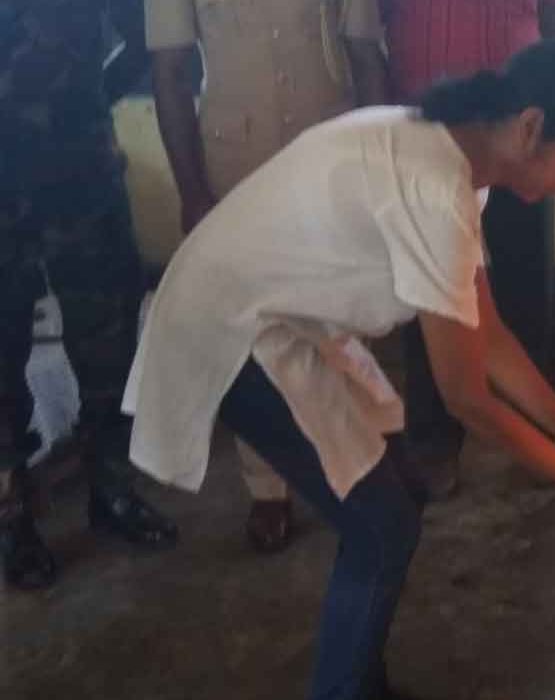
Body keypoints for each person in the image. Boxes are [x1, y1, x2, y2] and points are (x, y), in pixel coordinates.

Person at [125, 41, 555, 699]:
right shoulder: (435, 185)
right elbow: (466, 398)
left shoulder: (457, 161)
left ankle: (358, 682)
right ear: (530, 126)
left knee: (399, 492)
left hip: (286, 319)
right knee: (381, 526)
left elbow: (486, 335)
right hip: (230, 326)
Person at [147, 0, 390, 552]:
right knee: (255, 329)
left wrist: (376, 167)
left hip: (329, 150)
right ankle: (268, 485)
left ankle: (360, 461)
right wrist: (191, 192)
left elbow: (364, 50)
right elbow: (169, 70)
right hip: (235, 162)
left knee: (341, 313)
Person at [1, 0, 179, 590]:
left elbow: (145, 34)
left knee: (111, 348)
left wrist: (89, 98)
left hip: (83, 183)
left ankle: (113, 490)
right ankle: (11, 518)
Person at [383, 0, 555, 498]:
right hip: (423, 118)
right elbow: (369, 29)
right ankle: (433, 440)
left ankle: (541, 435)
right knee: (428, 287)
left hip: (520, 123)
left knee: (525, 283)